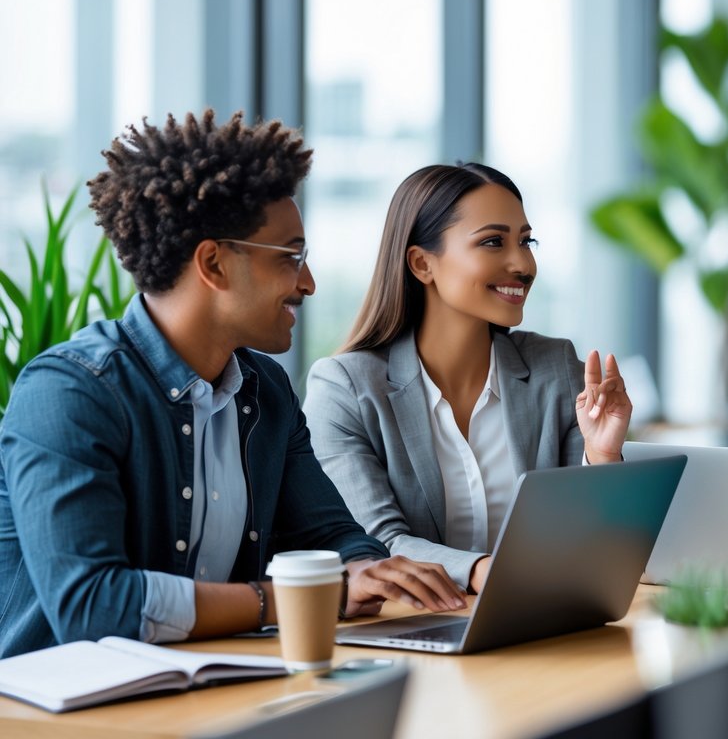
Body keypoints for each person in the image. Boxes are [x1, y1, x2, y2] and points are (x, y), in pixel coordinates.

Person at [0, 110, 468, 659]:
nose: (308, 283)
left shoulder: (265, 389)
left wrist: (364, 569)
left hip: (212, 682)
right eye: (291, 257)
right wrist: (285, 599)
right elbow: (93, 606)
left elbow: (330, 536)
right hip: (60, 698)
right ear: (214, 264)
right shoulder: (71, 393)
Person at [304, 163, 631, 594]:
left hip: (543, 619)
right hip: (413, 624)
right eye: (493, 241)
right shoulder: (344, 389)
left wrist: (602, 455)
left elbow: (593, 543)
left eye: (526, 241)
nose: (523, 263)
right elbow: (376, 544)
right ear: (422, 263)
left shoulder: (555, 368)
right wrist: (482, 571)